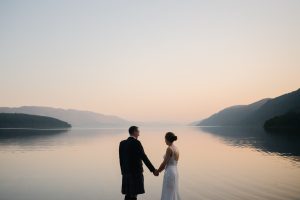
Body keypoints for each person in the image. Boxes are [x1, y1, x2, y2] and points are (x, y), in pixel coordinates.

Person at [119, 126, 159, 200]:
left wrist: (123, 172)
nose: (139, 134)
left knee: (128, 195)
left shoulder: (122, 143)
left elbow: (121, 160)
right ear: (134, 132)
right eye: (138, 132)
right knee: (134, 195)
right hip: (136, 173)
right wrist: (153, 170)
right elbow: (144, 157)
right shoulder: (137, 143)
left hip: (126, 173)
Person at [157, 132, 181, 200]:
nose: (164, 141)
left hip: (170, 172)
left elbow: (164, 163)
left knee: (168, 192)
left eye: (165, 139)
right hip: (175, 171)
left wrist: (158, 171)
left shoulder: (169, 149)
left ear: (167, 139)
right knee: (173, 191)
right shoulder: (176, 148)